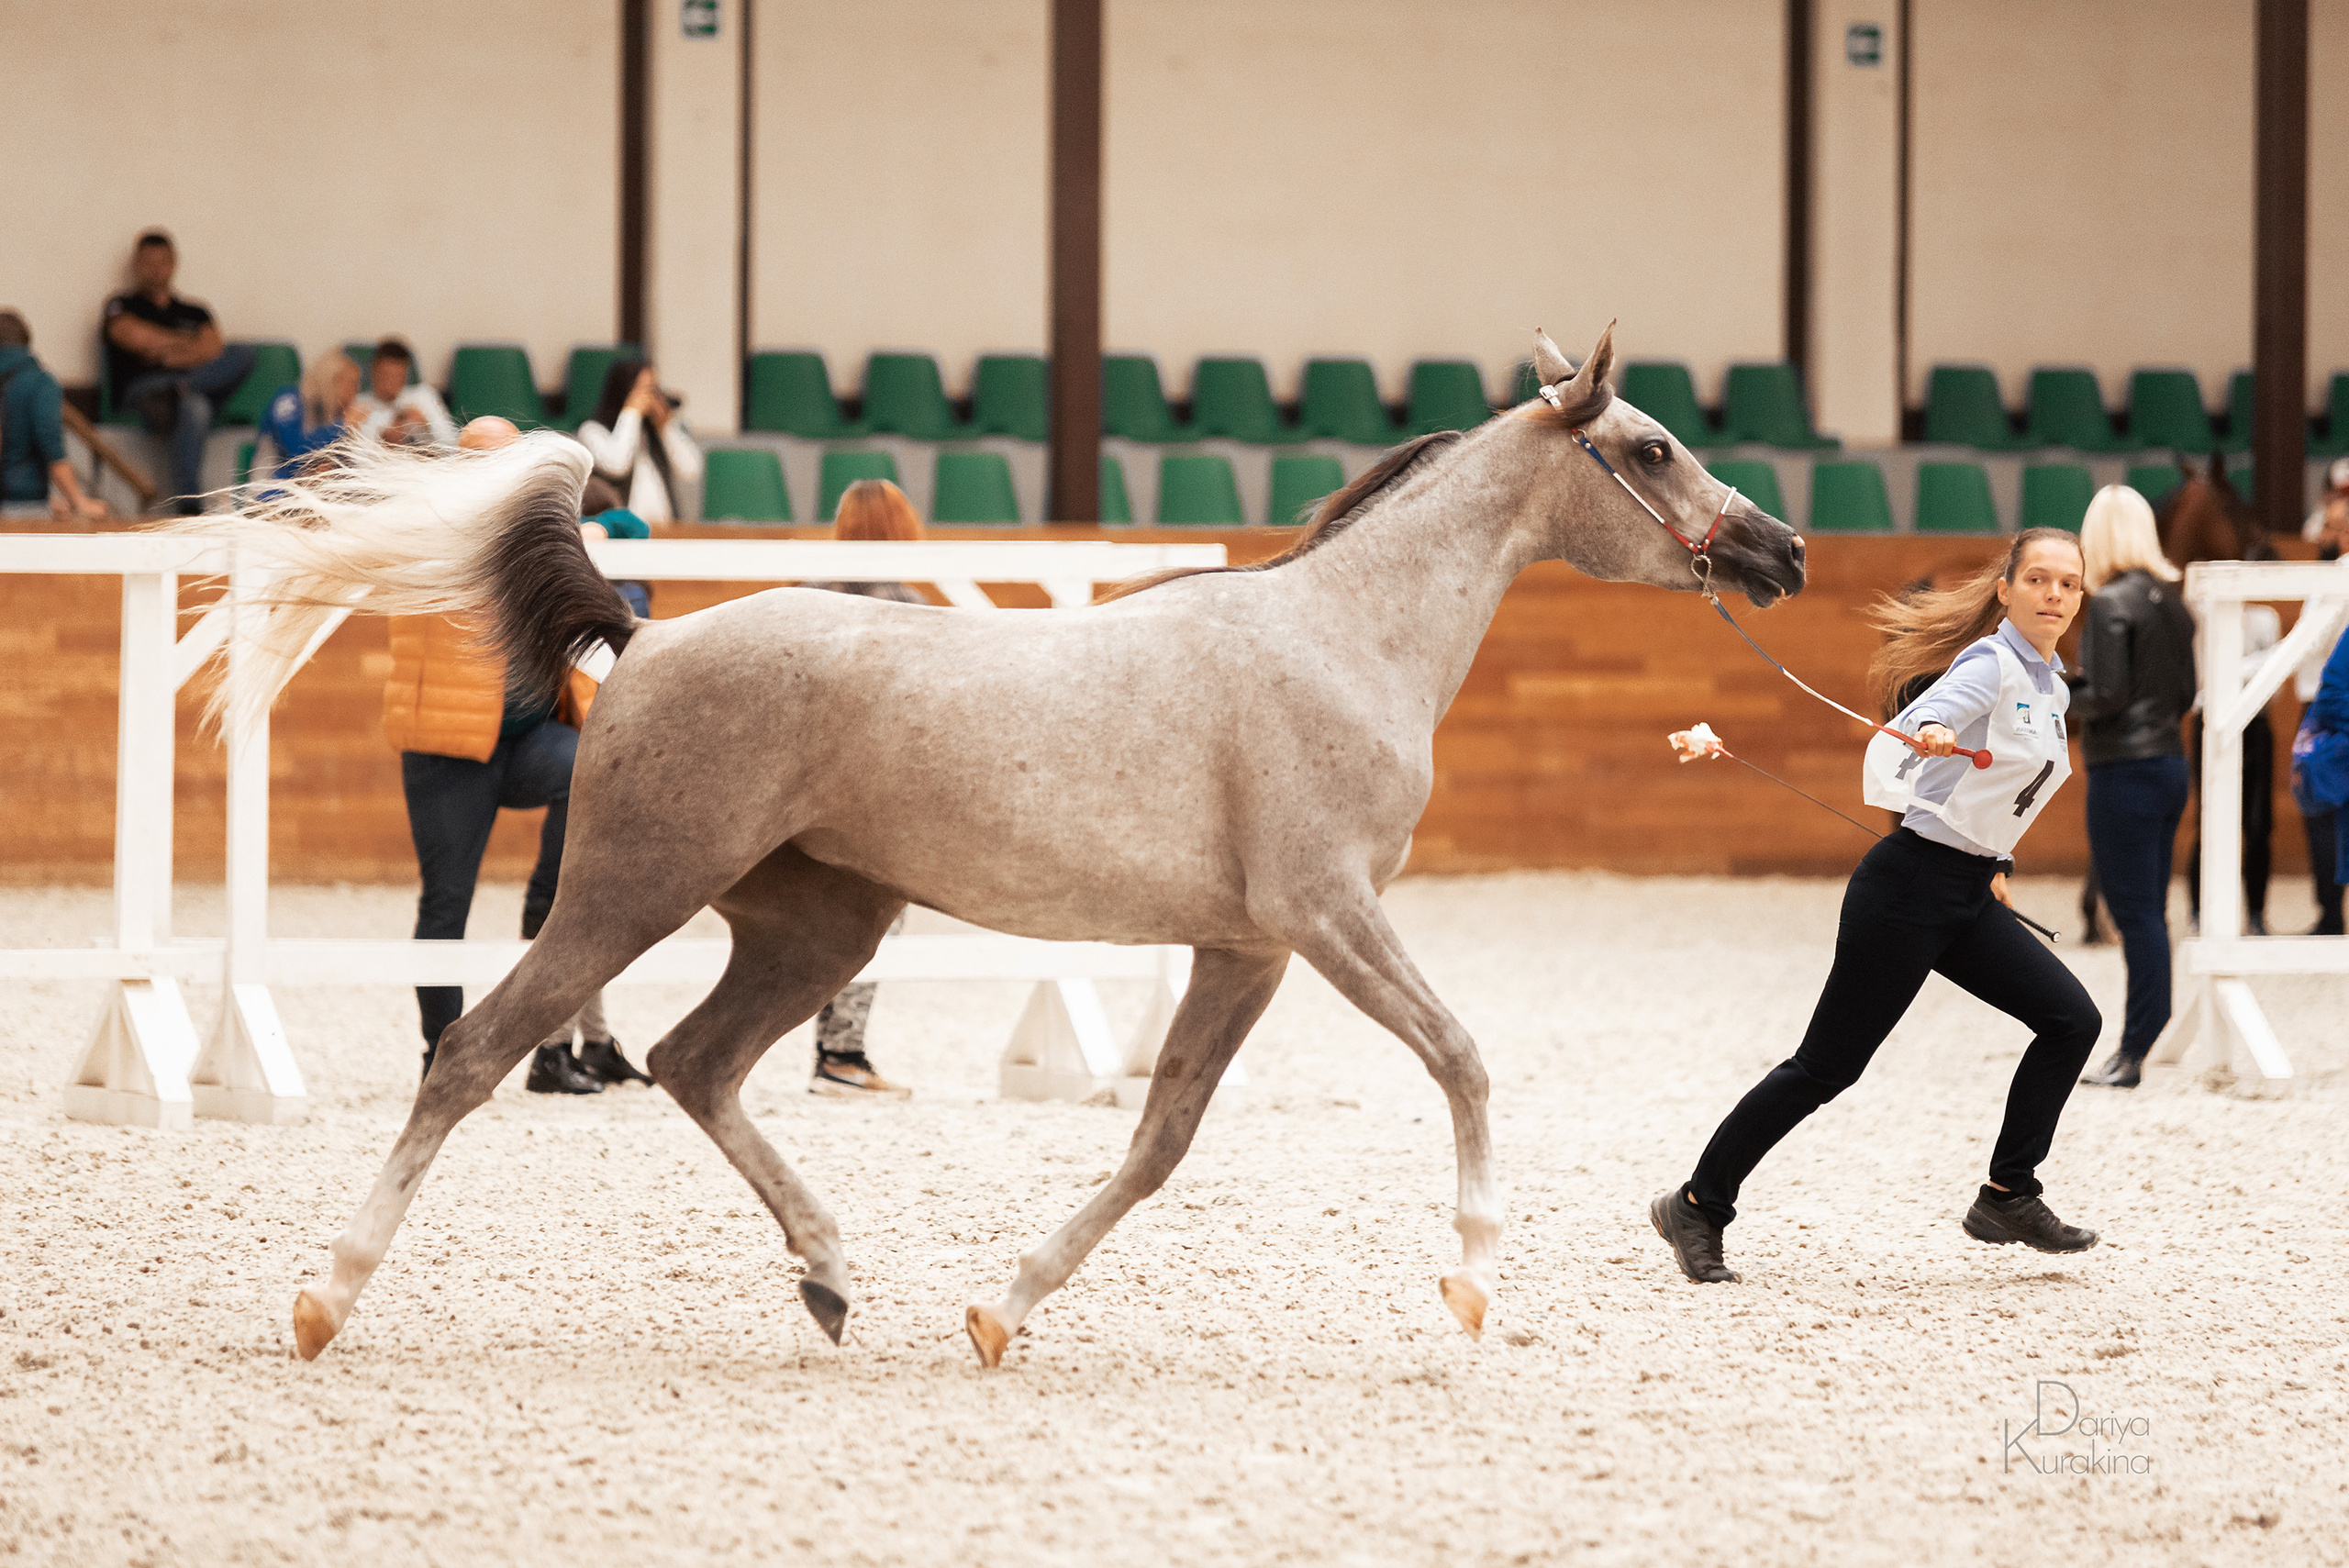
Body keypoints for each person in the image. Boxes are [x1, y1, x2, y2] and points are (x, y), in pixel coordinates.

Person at [1652, 529, 2103, 1284]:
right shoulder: (1989, 664)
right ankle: (1696, 1203)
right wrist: (1931, 730)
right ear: (2006, 590)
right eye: (2038, 579)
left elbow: (2006, 789)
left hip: (1969, 890)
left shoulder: (2052, 685)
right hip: (1907, 890)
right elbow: (1923, 722)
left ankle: (2008, 1194)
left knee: (2071, 1021)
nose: (2054, 594)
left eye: (2068, 583)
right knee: (1826, 1067)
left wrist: (1998, 859)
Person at [391, 415, 651, 1095]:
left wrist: (595, 528)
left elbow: (633, 525)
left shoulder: (537, 524)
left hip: (532, 736)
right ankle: (438, 1053)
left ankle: (547, 903)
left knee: (589, 768)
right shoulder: (433, 523)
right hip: (449, 747)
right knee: (446, 904)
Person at [791, 477, 927, 1099]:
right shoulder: (911, 606)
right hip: (875, 791)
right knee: (877, 920)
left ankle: (832, 1054)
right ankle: (841, 1053)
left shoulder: (805, 597)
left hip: (797, 787)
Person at [2072, 488, 2198, 1090]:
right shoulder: (2171, 600)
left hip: (2123, 769)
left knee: (2134, 913)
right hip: (2170, 762)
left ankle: (2134, 1047)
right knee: (2151, 909)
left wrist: (2049, 694)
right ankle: (2144, 1033)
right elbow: (2186, 692)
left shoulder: (2109, 603)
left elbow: (2105, 694)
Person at [103, 230, 255, 513]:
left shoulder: (196, 311)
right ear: (136, 264)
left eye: (161, 261)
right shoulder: (121, 305)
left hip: (190, 387)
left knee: (241, 355)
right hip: (148, 391)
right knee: (195, 404)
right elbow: (135, 338)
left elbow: (213, 348)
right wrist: (189, 346)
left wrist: (164, 352)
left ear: (173, 263)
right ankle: (189, 505)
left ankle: (183, 390)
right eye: (147, 262)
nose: (155, 269)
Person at [2296, 459, 2349, 934]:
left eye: (2332, 527)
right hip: (2327, 700)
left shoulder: (2340, 576)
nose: (2323, 534)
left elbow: (2310, 644)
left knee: (2324, 808)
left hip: (2330, 704)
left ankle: (2331, 915)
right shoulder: (2330, 573)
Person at [0, 311, 106, 519]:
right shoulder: (39, 383)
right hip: (22, 499)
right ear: (26, 340)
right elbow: (50, 443)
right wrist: (78, 501)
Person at [574, 360, 703, 523]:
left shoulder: (657, 433)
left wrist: (665, 426)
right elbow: (617, 465)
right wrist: (631, 412)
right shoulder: (591, 430)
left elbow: (691, 470)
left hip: (665, 530)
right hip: (620, 530)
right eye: (643, 390)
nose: (649, 398)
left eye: (654, 389)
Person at [261, 351, 362, 481]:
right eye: (350, 384)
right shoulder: (288, 400)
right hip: (273, 483)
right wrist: (342, 427)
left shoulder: (335, 413)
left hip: (312, 485)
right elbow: (295, 450)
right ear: (329, 380)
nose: (353, 392)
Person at [353, 339, 457, 448]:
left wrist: (427, 426)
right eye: (386, 375)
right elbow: (353, 450)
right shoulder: (359, 406)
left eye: (399, 376)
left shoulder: (423, 396)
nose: (392, 382)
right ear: (374, 371)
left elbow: (452, 444)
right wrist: (381, 439)